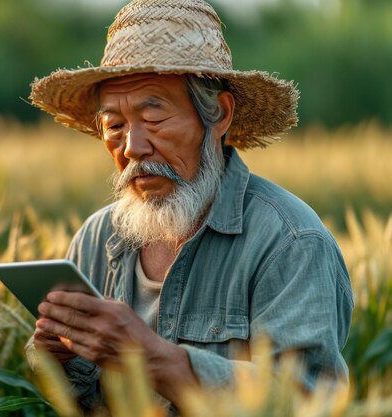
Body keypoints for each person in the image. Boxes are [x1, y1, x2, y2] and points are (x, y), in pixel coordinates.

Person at [26, 0, 353, 412]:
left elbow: (309, 400)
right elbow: (77, 400)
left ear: (218, 116)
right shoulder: (96, 240)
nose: (133, 147)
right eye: (114, 126)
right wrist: (58, 359)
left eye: (155, 117)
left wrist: (149, 357)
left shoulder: (289, 242)